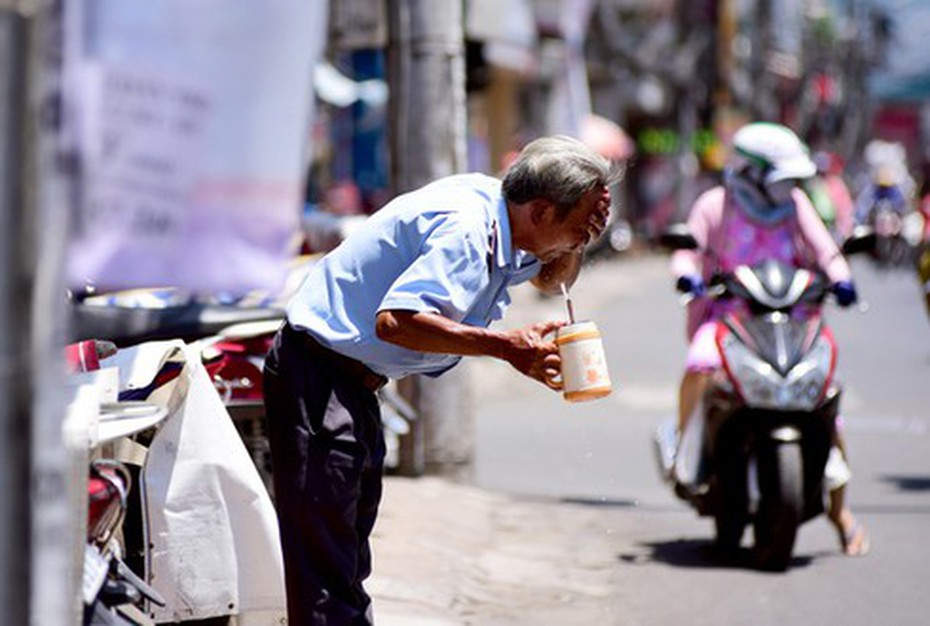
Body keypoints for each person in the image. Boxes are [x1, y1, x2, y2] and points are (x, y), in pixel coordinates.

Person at [263, 135, 617, 624]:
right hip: (320, 377)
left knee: (345, 557)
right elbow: (398, 321)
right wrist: (504, 347)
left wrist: (582, 235)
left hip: (355, 385)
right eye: (577, 227)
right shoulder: (468, 232)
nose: (580, 240)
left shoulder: (505, 219)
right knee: (326, 569)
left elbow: (547, 273)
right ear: (540, 210)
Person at [670, 122, 869, 557]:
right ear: (750, 172)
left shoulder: (796, 205)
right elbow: (689, 249)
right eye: (782, 177)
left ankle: (839, 507)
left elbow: (826, 251)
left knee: (823, 395)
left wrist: (842, 280)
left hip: (793, 321)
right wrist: (686, 275)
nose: (790, 187)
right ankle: (688, 456)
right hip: (729, 319)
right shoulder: (715, 204)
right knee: (699, 367)